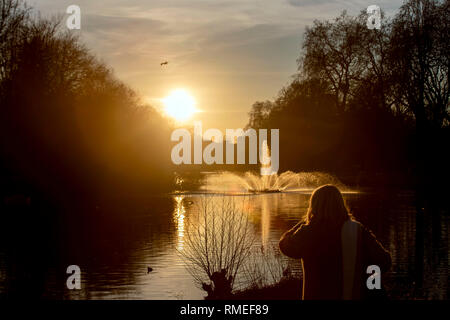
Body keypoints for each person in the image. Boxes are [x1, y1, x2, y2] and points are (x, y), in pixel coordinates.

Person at [279, 184, 391, 300]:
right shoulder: (357, 230)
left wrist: (299, 226)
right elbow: (384, 261)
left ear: (314, 206)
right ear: (341, 204)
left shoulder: (308, 232)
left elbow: (285, 246)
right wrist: (366, 278)